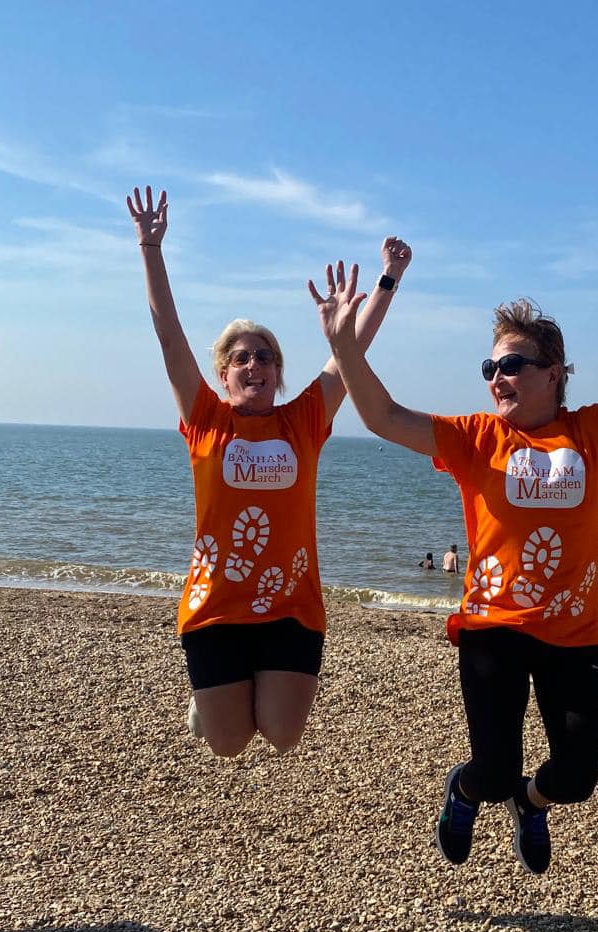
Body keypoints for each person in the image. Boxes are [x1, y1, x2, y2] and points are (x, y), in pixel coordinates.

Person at [313, 207, 598, 874]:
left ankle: (531, 802)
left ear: (555, 372)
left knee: (576, 777)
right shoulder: (474, 437)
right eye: (489, 366)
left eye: (513, 363)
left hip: (575, 634)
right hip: (493, 625)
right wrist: (345, 345)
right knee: (489, 771)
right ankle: (464, 791)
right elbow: (380, 414)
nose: (497, 377)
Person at [126, 186, 411, 756]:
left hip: (291, 605)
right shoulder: (204, 417)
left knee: (282, 736)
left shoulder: (303, 419)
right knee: (229, 745)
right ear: (224, 375)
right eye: (241, 357)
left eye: (265, 356)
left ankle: (235, 694)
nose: (253, 363)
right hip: (216, 605)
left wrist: (388, 279)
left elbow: (350, 350)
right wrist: (150, 248)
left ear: (278, 373)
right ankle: (211, 708)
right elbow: (168, 335)